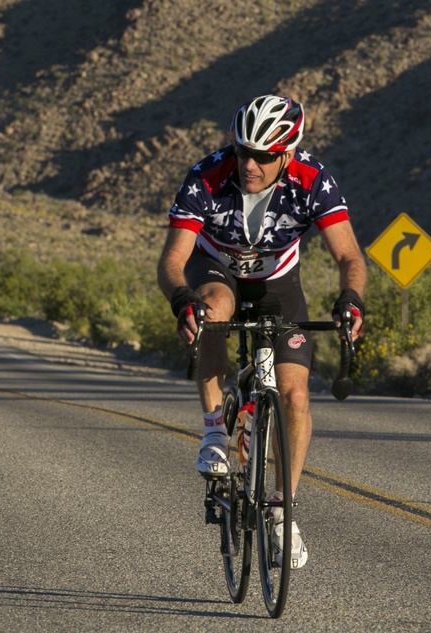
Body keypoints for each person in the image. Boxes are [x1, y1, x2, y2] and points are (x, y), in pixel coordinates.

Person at [156, 95, 366, 569]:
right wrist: (182, 300)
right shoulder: (207, 176)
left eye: (262, 156)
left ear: (287, 154)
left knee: (294, 397)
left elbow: (349, 257)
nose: (248, 164)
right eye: (241, 151)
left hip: (277, 282)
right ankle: (214, 432)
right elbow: (172, 259)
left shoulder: (314, 181)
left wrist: (350, 299)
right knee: (214, 310)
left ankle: (282, 510)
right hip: (214, 268)